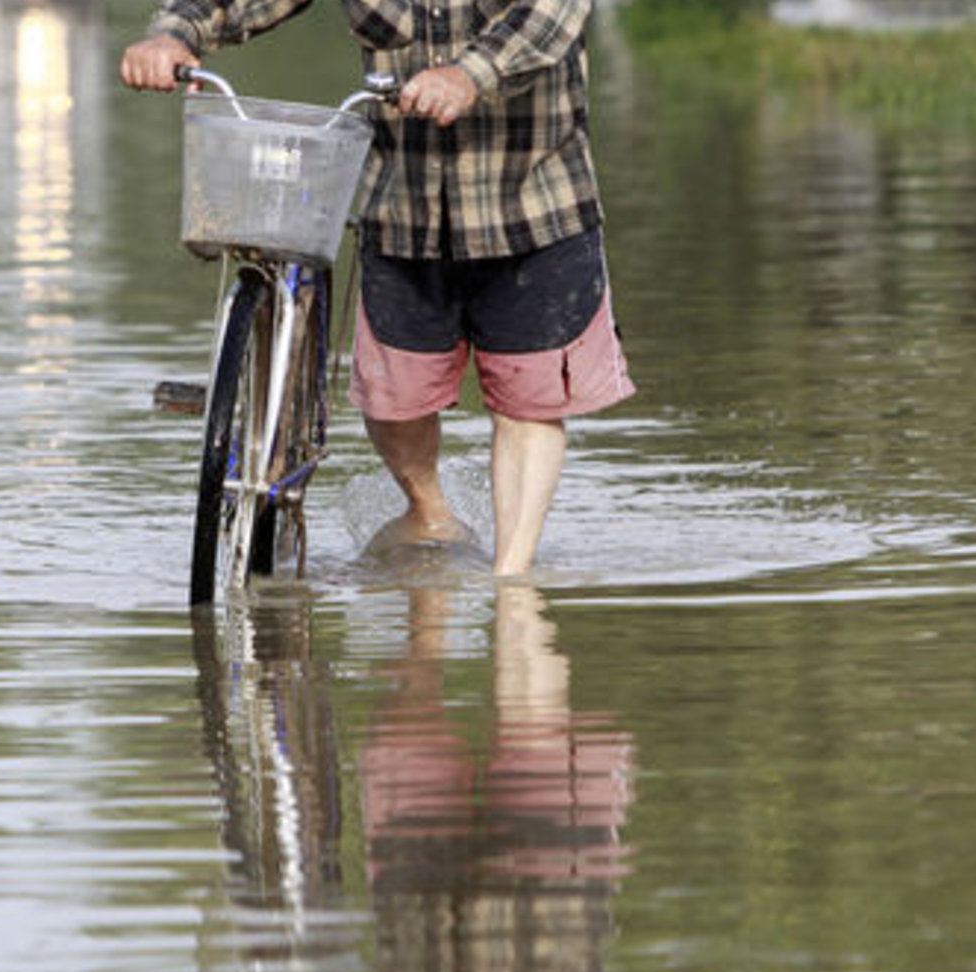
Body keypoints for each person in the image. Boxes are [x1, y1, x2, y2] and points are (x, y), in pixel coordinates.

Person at [121, 0, 634, 575]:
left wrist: (470, 74)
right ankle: (430, 512)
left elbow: (549, 17)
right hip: (404, 205)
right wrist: (172, 34)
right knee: (395, 400)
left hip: (533, 200)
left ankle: (512, 584)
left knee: (529, 404)